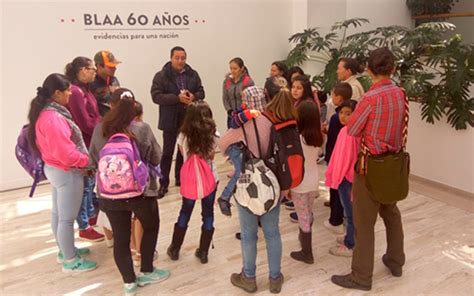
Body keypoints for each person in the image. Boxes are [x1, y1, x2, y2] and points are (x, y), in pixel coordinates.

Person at [331, 48, 407, 291]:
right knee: (391, 212)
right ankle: (395, 261)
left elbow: (352, 130)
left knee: (364, 223)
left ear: (369, 70)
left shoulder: (369, 99)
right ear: (392, 69)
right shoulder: (401, 93)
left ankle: (361, 277)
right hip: (394, 163)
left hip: (370, 165)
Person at [89, 88, 168, 295]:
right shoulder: (142, 128)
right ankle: (147, 270)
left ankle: (129, 283)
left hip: (109, 194)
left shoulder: (100, 129)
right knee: (150, 227)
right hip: (142, 192)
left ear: (111, 106)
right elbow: (157, 158)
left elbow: (93, 161)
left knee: (121, 238)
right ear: (134, 106)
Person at [219, 88, 296, 294]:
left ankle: (249, 277)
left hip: (247, 186)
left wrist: (236, 154)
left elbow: (222, 143)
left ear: (248, 101)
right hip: (272, 185)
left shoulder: (244, 124)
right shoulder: (272, 121)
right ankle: (275, 278)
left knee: (248, 235)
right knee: (272, 233)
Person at [28, 73, 97, 272]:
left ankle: (65, 250)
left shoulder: (45, 113)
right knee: (66, 218)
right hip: (67, 172)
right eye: (67, 90)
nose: (70, 93)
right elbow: (66, 154)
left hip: (55, 169)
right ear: (57, 93)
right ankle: (70, 261)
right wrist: (89, 161)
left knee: (59, 213)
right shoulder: (53, 118)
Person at [166, 101, 218, 264]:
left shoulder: (182, 136)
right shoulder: (214, 135)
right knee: (208, 215)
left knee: (185, 212)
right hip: (210, 179)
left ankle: (174, 248)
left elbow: (184, 155)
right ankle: (203, 252)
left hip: (190, 180)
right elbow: (212, 156)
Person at [151, 46, 205, 199]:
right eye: (177, 58)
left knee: (184, 151)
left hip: (188, 118)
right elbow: (156, 97)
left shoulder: (193, 74)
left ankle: (180, 178)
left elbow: (202, 91)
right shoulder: (161, 76)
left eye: (183, 58)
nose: (180, 61)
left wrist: (193, 96)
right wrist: (177, 98)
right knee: (167, 153)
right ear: (171, 58)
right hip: (169, 119)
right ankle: (163, 183)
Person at [64, 56, 104, 242]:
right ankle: (84, 226)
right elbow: (84, 122)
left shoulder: (85, 90)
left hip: (91, 141)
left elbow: (92, 116)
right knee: (85, 187)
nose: (94, 72)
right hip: (84, 144)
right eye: (91, 69)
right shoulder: (76, 92)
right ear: (80, 70)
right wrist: (102, 126)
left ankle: (89, 216)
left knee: (89, 185)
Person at [217, 86, 266, 216]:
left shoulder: (259, 116)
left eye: (245, 98)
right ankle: (224, 197)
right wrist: (246, 113)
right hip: (235, 147)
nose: (242, 101)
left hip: (241, 148)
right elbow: (234, 123)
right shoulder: (246, 114)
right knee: (240, 174)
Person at [289, 100, 323, 264]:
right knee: (308, 213)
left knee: (303, 216)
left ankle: (307, 252)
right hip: (314, 180)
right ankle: (304, 241)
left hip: (300, 182)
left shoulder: (298, 139)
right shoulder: (318, 137)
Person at [325, 99, 360, 257]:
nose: (343, 116)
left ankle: (350, 245)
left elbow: (346, 159)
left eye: (348, 113)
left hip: (347, 179)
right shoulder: (345, 130)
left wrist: (338, 176)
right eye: (341, 113)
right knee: (348, 212)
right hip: (345, 178)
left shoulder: (350, 132)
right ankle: (348, 236)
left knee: (350, 214)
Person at [323, 82, 352, 234]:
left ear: (339, 98)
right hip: (342, 163)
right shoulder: (348, 121)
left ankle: (335, 220)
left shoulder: (336, 119)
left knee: (336, 190)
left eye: (333, 95)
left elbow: (333, 142)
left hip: (336, 161)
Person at [222, 57, 255, 128]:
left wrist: (241, 111)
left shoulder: (248, 81)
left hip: (244, 115)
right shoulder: (227, 81)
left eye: (235, 68)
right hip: (231, 115)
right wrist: (229, 110)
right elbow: (225, 98)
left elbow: (250, 99)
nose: (232, 71)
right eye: (231, 68)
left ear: (242, 68)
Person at [90, 50, 121, 116]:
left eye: (114, 66)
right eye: (110, 67)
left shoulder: (114, 80)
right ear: (99, 66)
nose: (115, 68)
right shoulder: (91, 83)